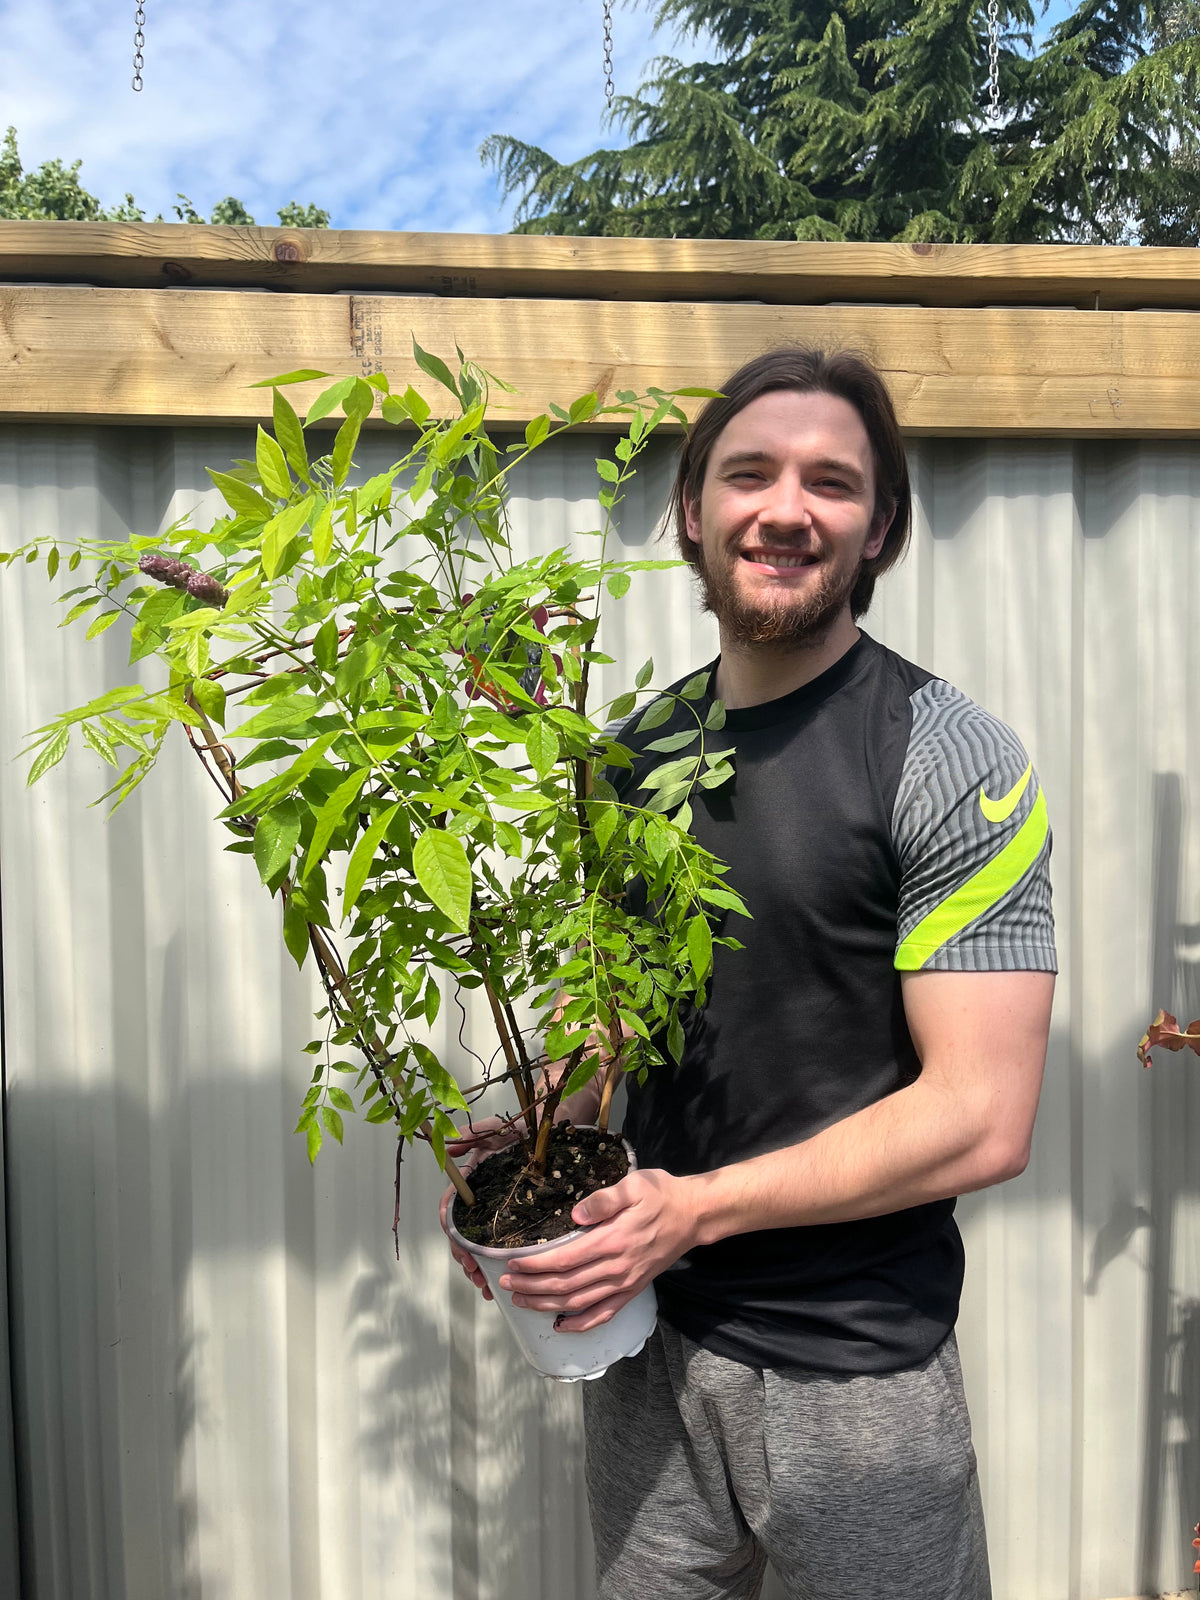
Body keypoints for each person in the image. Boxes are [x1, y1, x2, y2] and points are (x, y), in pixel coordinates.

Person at [444, 346, 1056, 1600]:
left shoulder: (948, 758)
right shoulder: (629, 757)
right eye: (750, 473)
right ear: (691, 509)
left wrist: (695, 1210)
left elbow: (985, 1117)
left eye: (832, 481)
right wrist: (535, 1140)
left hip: (860, 1373)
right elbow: (609, 1016)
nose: (786, 508)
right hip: (644, 1346)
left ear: (879, 524)